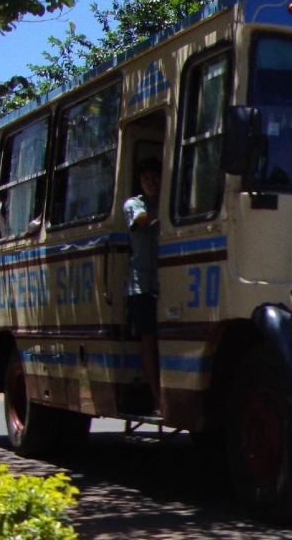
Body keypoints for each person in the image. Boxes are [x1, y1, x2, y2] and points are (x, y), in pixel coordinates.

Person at [124, 158, 162, 415]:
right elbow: (144, 221)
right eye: (145, 178)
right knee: (148, 342)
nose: (150, 182)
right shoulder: (133, 204)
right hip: (140, 285)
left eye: (154, 177)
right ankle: (157, 400)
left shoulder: (166, 203)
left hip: (164, 281)